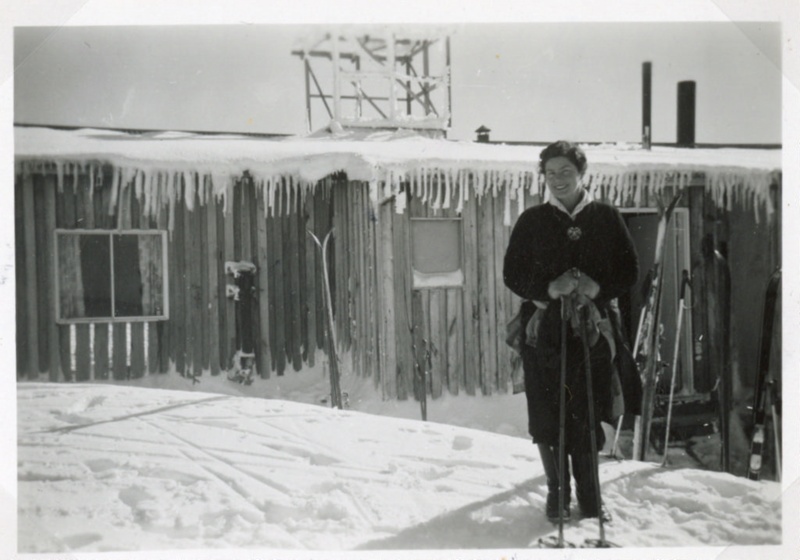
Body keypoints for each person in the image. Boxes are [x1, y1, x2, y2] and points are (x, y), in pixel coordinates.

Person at [503, 140, 640, 523]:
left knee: (587, 409)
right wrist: (548, 288)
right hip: (544, 331)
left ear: (582, 174)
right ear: (542, 177)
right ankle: (557, 496)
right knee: (548, 412)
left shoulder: (606, 217)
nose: (558, 180)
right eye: (551, 173)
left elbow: (628, 271)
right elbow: (512, 273)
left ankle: (591, 498)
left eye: (566, 172)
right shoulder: (532, 221)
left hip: (592, 331)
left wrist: (597, 289)